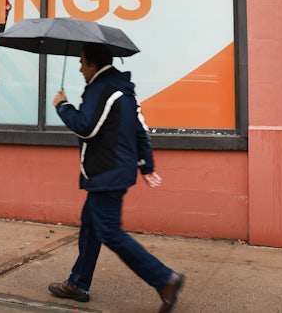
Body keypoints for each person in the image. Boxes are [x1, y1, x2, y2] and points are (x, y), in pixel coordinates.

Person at [48, 42, 185, 312]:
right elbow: (139, 130)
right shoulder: (123, 89)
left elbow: (86, 127)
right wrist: (146, 166)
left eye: (81, 62)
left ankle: (164, 279)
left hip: (106, 173)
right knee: (90, 224)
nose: (79, 68)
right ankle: (78, 283)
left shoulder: (101, 89)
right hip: (115, 171)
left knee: (109, 232)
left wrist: (63, 106)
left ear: (93, 63)